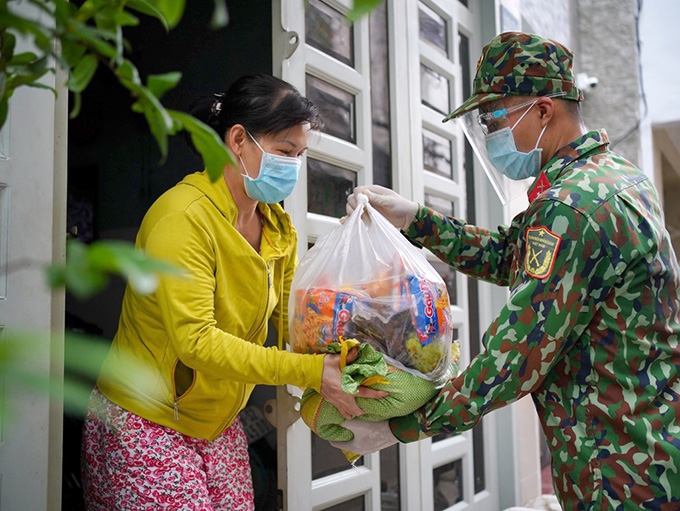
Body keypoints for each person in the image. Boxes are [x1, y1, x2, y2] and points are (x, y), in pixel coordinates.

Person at [334, 32, 680, 510]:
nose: (490, 134)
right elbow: (510, 255)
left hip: (621, 472)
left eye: (492, 118)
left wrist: (396, 427)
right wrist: (417, 220)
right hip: (648, 446)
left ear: (543, 111)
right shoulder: (615, 177)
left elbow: (512, 359)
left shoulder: (573, 208)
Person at [80, 73, 385, 511]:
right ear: (238, 139)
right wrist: (313, 372)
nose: (293, 166)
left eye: (300, 155)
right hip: (143, 417)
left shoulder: (277, 225)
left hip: (216, 420)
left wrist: (360, 345)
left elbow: (291, 323)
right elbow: (196, 342)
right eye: (284, 152)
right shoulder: (182, 218)